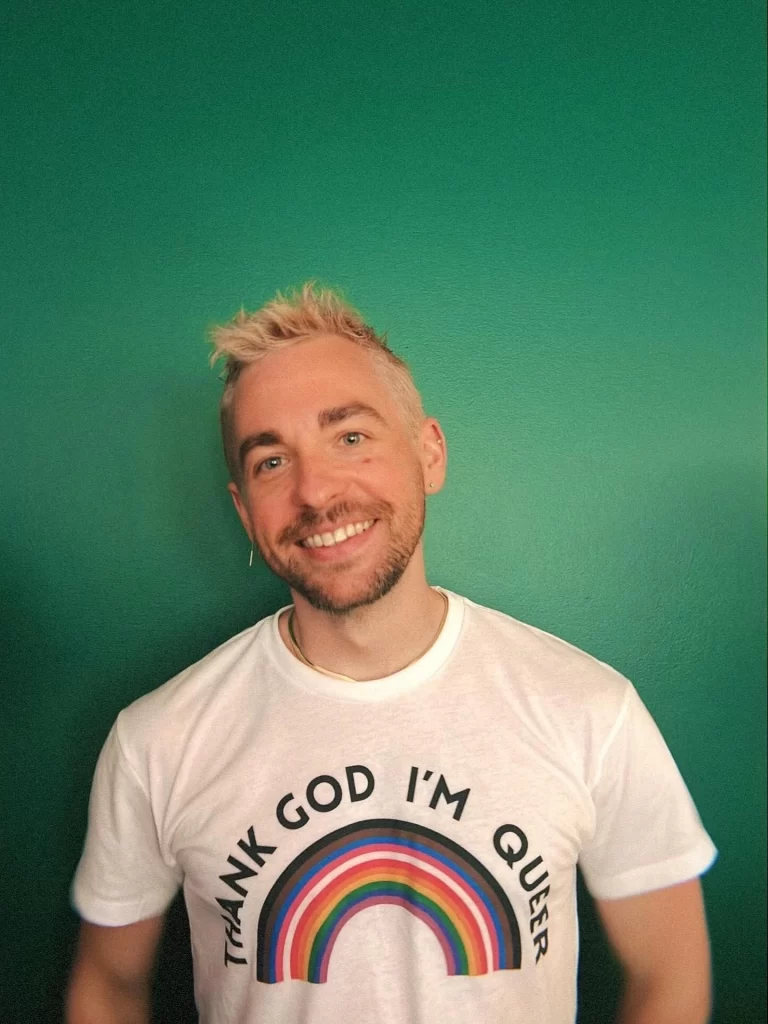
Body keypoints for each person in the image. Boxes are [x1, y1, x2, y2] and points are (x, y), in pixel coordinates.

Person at [67, 284, 717, 1024]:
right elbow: (108, 986)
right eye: (272, 462)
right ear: (246, 511)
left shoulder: (589, 709)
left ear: (429, 452)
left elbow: (668, 970)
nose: (316, 492)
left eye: (350, 437)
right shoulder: (158, 739)